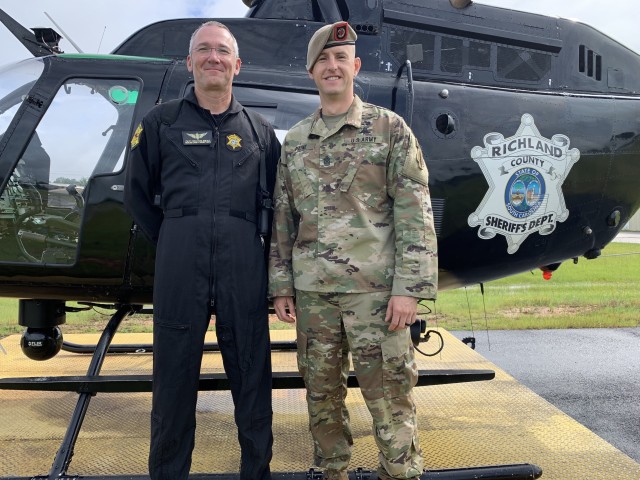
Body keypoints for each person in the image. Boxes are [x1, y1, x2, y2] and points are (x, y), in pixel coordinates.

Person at [268, 21, 438, 480]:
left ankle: (400, 473)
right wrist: (282, 286)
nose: (332, 66)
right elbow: (284, 218)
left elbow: (415, 213)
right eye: (323, 59)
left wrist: (409, 290)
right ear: (311, 72)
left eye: (340, 58)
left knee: (389, 396)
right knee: (321, 397)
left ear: (355, 66)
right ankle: (333, 473)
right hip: (314, 296)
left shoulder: (389, 129)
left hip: (377, 297)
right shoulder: (296, 141)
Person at [124, 21, 279, 480]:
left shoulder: (259, 131)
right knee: (171, 385)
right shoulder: (160, 122)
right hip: (179, 265)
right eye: (204, 50)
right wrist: (178, 235)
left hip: (243, 268)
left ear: (237, 64)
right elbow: (137, 195)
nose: (214, 58)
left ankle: (257, 472)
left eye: (223, 51)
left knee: (253, 382)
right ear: (190, 62)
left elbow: (276, 204)